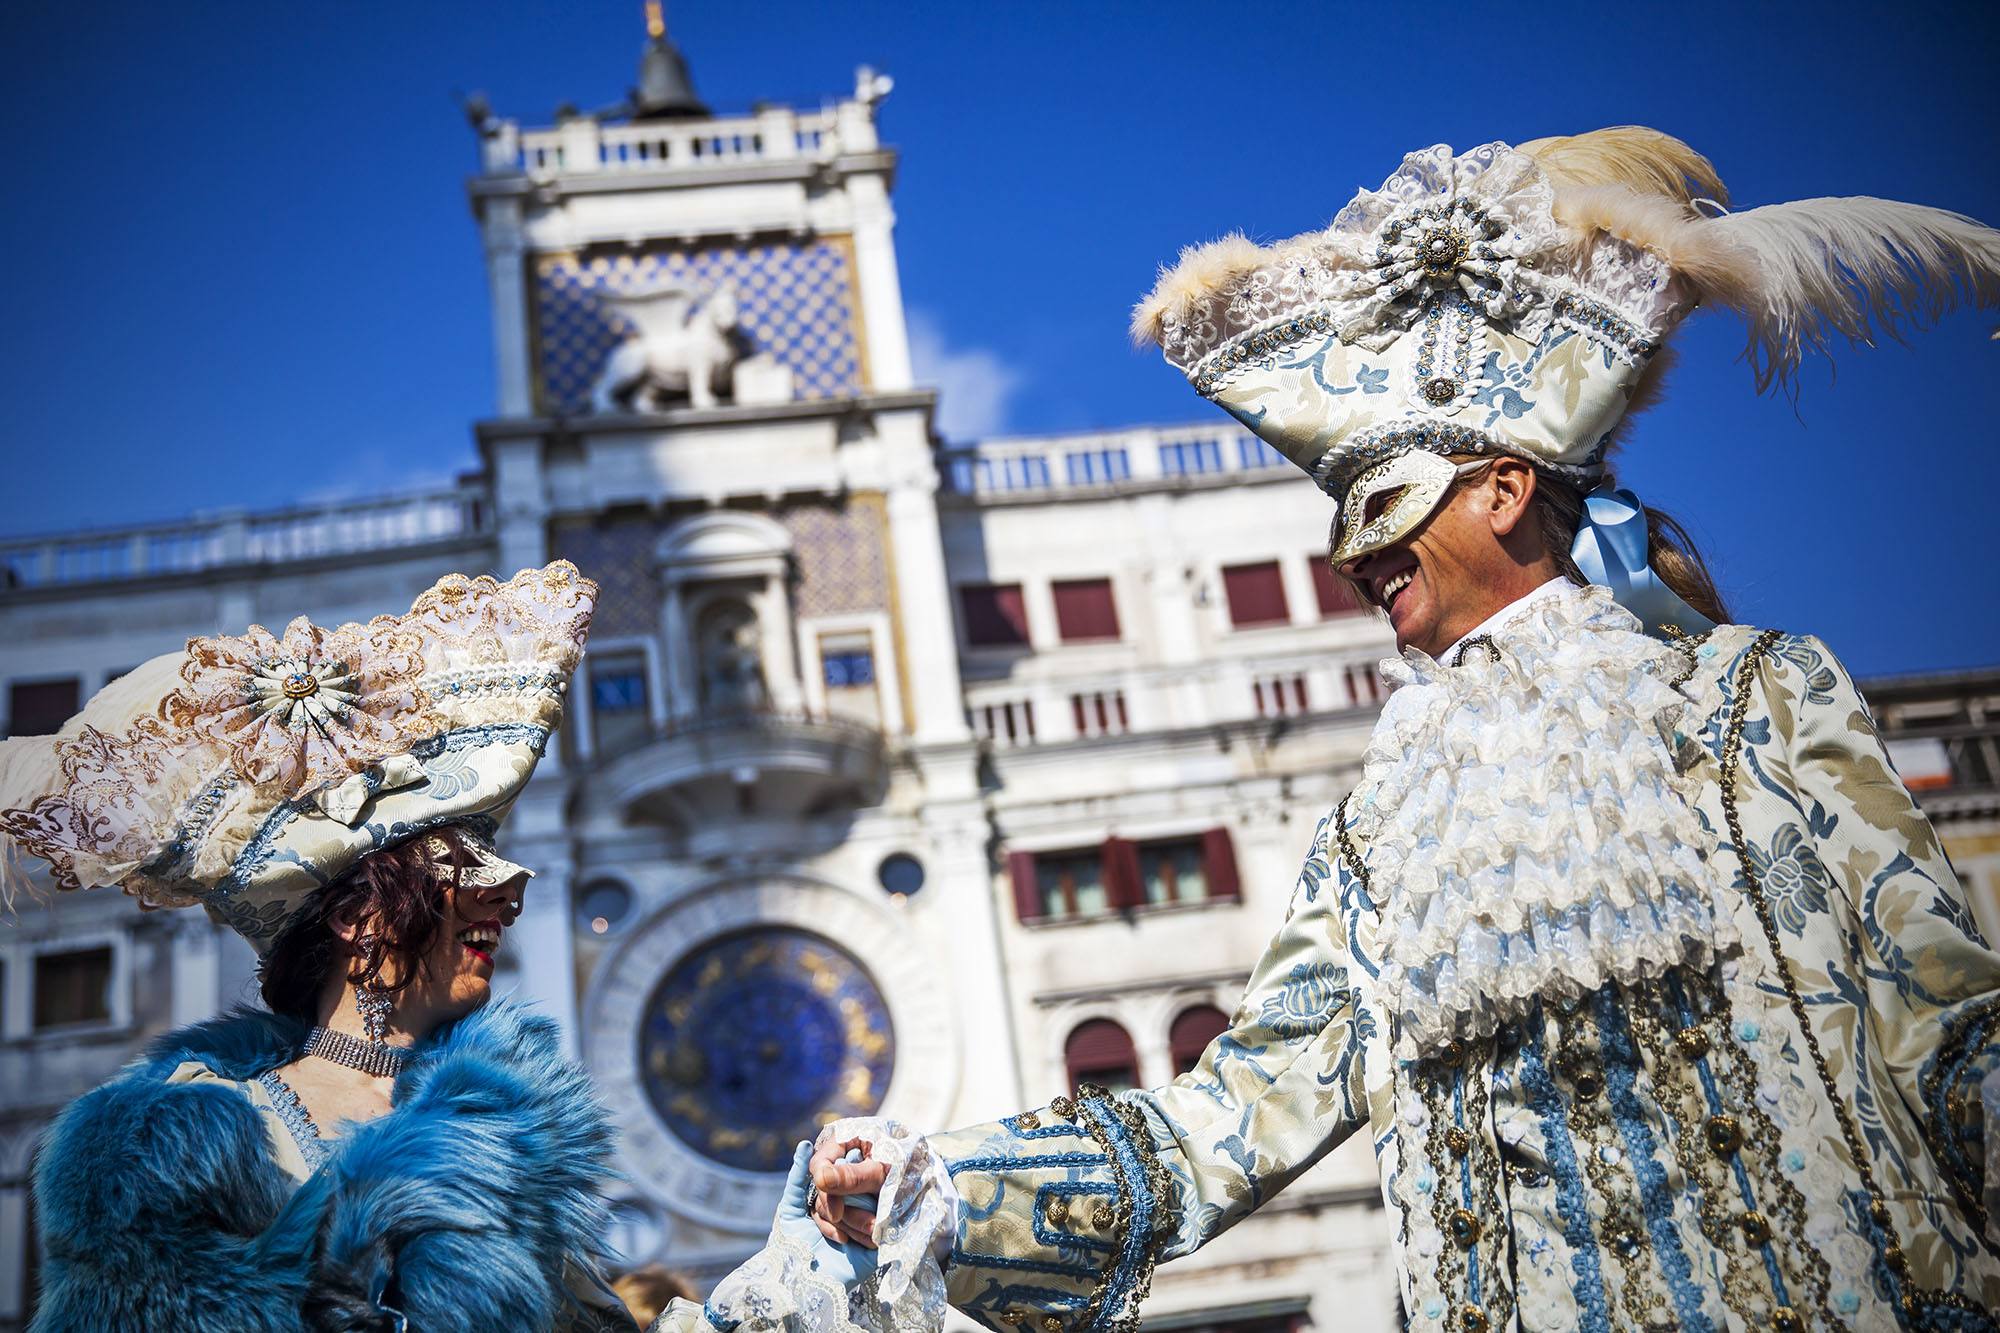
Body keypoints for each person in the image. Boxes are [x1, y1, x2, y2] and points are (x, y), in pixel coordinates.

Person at [806, 129, 2000, 1331]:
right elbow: (1241, 1108)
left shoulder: (1758, 703)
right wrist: (945, 1183)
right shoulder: (1376, 838)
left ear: (1502, 487)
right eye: (1337, 525)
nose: (1350, 558)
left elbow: (1945, 1027)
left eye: (1379, 506)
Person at [2, 563, 644, 1333]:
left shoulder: (513, 1127)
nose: (510, 890)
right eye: (461, 863)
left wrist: (814, 1239)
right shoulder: (177, 1141)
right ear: (358, 917)